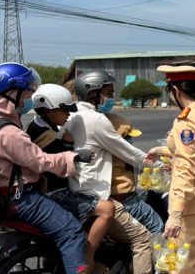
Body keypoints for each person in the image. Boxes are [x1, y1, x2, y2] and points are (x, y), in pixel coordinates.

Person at [0, 63, 89, 274]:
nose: (27, 100)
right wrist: (73, 157)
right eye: (25, 93)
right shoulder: (8, 131)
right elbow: (41, 162)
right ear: (12, 91)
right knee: (71, 231)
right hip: (17, 198)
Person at [66, 69, 155, 274]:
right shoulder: (97, 120)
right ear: (94, 93)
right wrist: (159, 164)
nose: (113, 98)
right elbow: (128, 153)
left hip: (72, 192)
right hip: (94, 195)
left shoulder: (69, 115)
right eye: (110, 92)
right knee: (143, 239)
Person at [29, 84, 115, 272]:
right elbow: (59, 166)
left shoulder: (35, 128)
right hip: (53, 193)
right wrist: (67, 146)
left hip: (39, 193)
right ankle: (88, 258)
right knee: (107, 210)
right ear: (47, 111)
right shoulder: (47, 136)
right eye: (64, 109)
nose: (68, 114)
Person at [146, 65, 195, 274]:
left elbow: (186, 168)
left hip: (192, 206)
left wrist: (176, 213)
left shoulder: (186, 121)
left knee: (181, 268)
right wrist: (161, 150)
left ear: (176, 91)